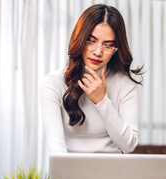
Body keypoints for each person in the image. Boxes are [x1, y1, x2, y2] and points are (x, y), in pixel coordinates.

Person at [40, 4, 143, 155]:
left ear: (116, 50)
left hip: (113, 173)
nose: (98, 52)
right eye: (91, 41)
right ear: (80, 39)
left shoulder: (126, 85)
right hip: (71, 173)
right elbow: (56, 148)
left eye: (108, 45)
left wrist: (102, 101)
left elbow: (129, 146)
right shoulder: (53, 84)